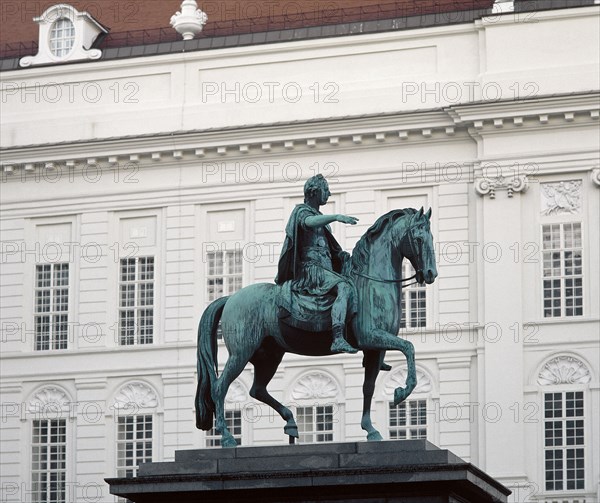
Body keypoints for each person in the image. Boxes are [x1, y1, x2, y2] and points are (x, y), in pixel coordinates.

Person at [276, 175, 358, 354]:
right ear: (314, 191)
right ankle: (337, 338)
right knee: (344, 287)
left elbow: (329, 247)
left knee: (354, 284)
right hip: (311, 270)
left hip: (324, 269)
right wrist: (335, 216)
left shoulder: (319, 216)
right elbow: (308, 223)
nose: (329, 193)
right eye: (326, 189)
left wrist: (341, 255)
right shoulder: (301, 211)